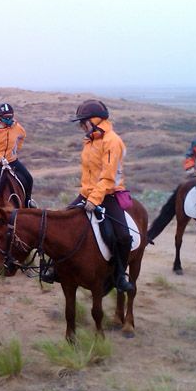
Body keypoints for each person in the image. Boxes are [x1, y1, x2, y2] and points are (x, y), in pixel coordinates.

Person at [68, 99, 134, 293]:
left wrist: (94, 199)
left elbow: (107, 177)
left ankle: (120, 275)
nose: (81, 126)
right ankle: (58, 268)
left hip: (109, 195)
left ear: (94, 120)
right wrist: (87, 195)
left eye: (83, 122)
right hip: (87, 194)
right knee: (63, 224)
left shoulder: (112, 141)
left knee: (122, 236)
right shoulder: (90, 140)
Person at [0, 103, 34, 207]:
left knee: (29, 178)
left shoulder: (17, 127)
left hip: (12, 161)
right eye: (6, 117)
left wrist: (16, 149)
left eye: (11, 116)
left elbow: (22, 136)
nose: (9, 119)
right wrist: (0, 158)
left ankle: (28, 202)